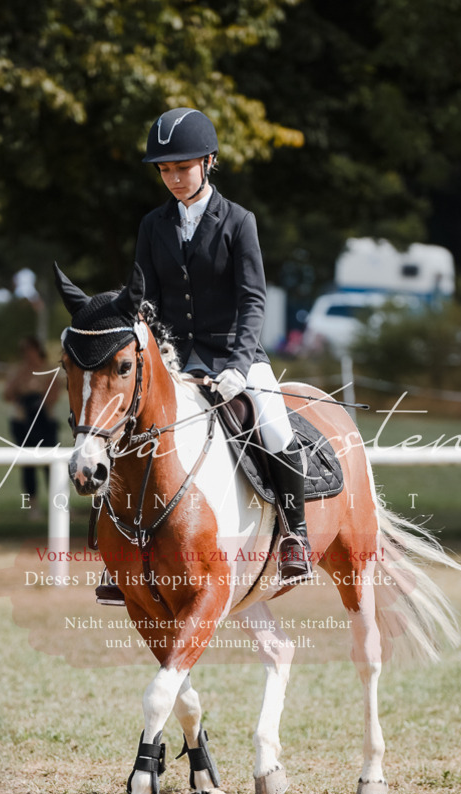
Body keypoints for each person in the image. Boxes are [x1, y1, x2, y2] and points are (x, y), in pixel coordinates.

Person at [135, 107, 313, 583]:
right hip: (176, 360)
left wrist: (237, 363)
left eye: (181, 167)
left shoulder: (239, 221)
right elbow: (147, 299)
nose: (172, 178)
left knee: (274, 429)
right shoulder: (153, 225)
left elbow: (253, 298)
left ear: (208, 161)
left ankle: (295, 535)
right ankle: (129, 550)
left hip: (237, 357)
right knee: (130, 431)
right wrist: (158, 353)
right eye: (165, 169)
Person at [3, 335, 60, 517]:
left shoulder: (49, 370)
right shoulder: (18, 370)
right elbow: (7, 395)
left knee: (50, 464)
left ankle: (57, 504)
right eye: (23, 351)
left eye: (29, 350)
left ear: (37, 350)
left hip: (44, 420)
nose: (26, 354)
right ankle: (32, 506)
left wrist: (36, 400)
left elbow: (53, 396)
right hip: (23, 421)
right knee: (27, 465)